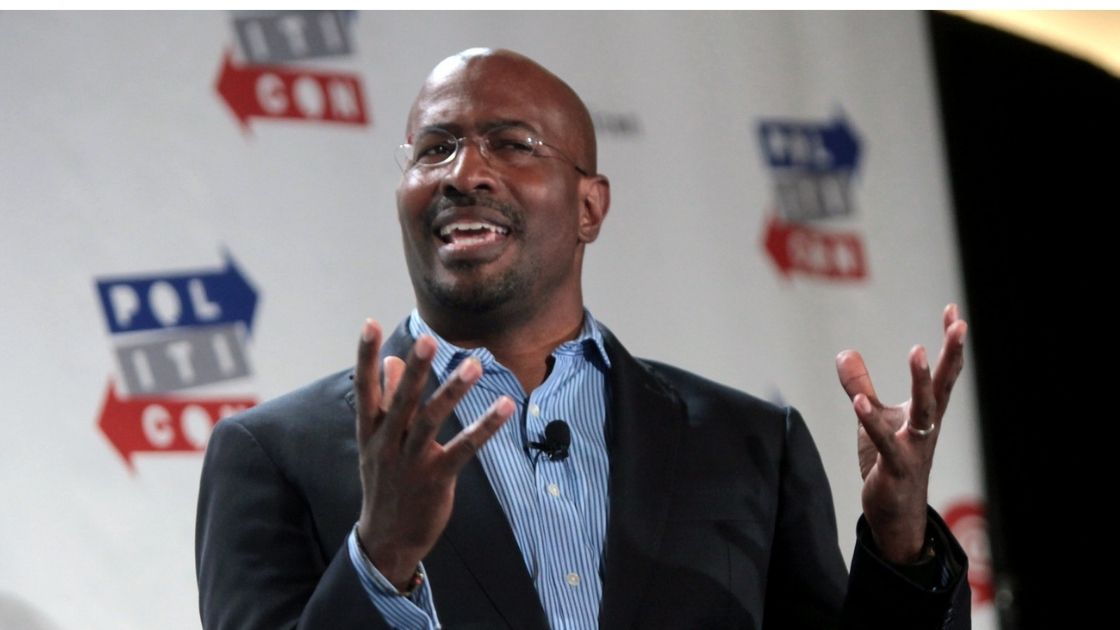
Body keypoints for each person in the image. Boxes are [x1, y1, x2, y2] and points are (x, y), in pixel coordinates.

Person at [196, 48, 971, 630]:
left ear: (590, 207)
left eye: (511, 143)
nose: (465, 173)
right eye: (435, 149)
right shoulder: (274, 455)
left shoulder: (749, 443)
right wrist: (383, 560)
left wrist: (902, 545)